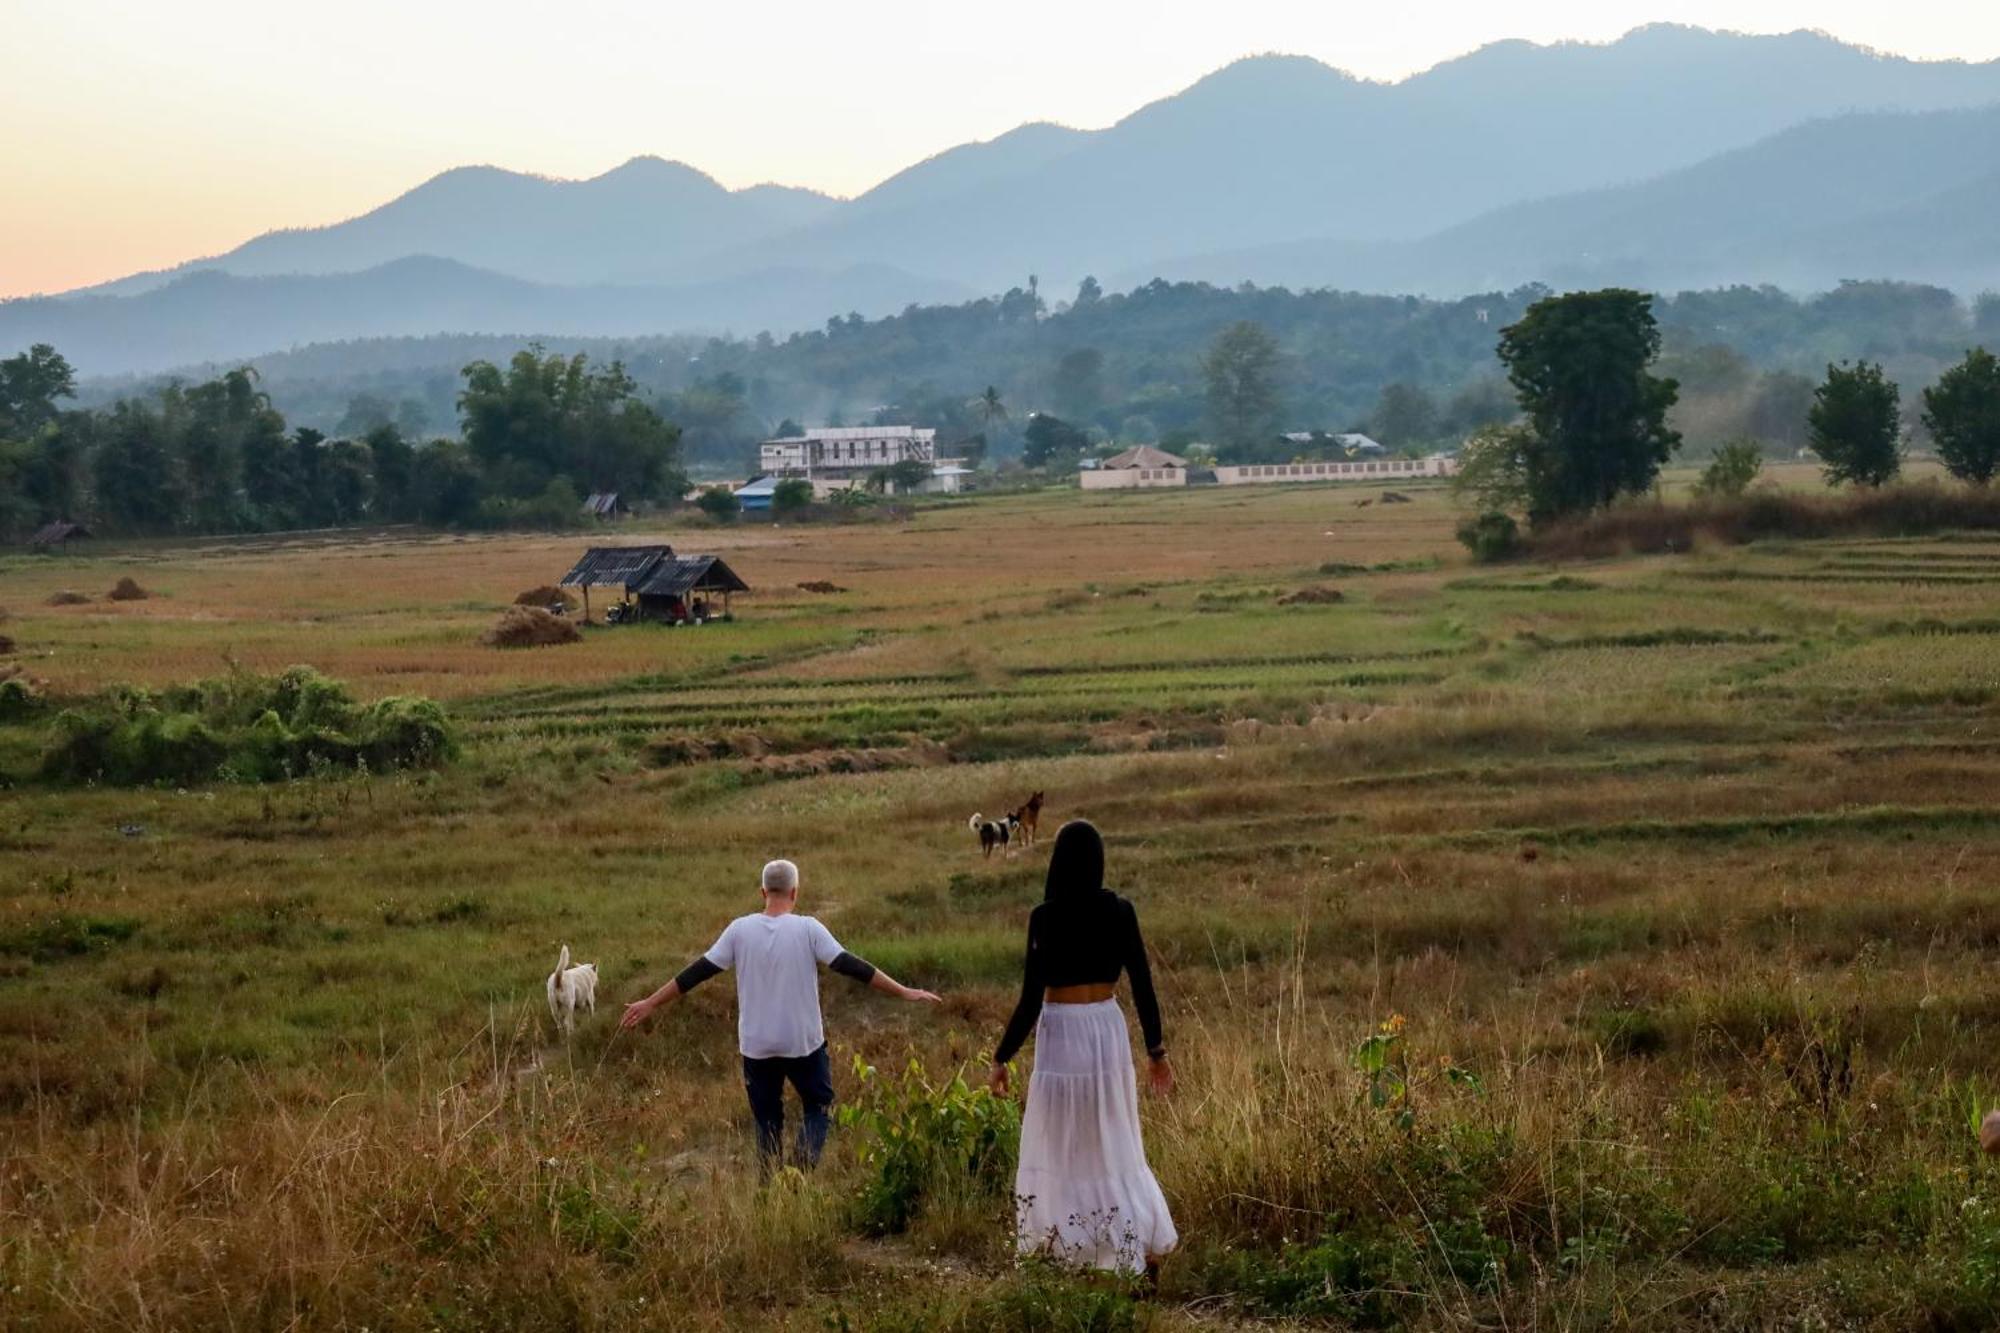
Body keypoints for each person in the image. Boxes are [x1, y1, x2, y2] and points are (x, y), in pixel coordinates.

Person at [622, 858, 940, 1167]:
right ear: (795, 892)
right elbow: (851, 965)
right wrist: (903, 991)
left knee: (767, 1122)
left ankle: (771, 1189)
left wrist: (650, 1002)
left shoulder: (739, 930)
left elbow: (697, 972)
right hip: (803, 1043)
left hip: (757, 1047)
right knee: (818, 1106)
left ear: (763, 892)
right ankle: (802, 1165)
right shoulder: (808, 928)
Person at [989, 820, 1177, 1274]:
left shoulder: (1045, 916)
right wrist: (1156, 1052)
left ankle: (1071, 1246)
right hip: (1106, 1031)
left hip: (1063, 1034)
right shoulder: (1121, 911)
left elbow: (1031, 997)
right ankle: (1131, 1241)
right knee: (1114, 1140)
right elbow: (1144, 986)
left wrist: (1001, 1057)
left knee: (1063, 1144)